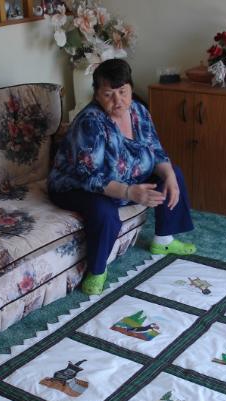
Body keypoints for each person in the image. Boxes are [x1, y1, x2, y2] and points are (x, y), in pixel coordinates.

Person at [48, 59, 196, 295]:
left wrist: (168, 176)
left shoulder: (138, 111)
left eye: (123, 92)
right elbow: (90, 178)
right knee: (103, 210)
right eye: (108, 94)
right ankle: (97, 271)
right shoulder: (91, 123)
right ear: (97, 95)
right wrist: (129, 192)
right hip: (77, 186)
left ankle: (164, 240)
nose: (118, 101)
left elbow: (155, 150)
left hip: (124, 178)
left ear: (130, 89)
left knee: (173, 174)